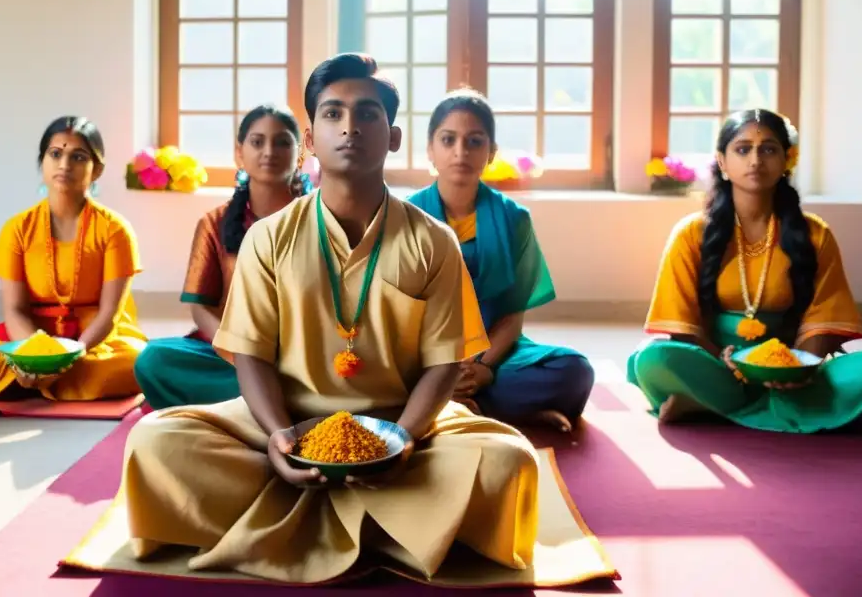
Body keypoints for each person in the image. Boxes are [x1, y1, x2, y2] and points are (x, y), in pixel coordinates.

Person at [121, 54, 540, 584]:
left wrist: (405, 437)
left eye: (367, 113)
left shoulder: (433, 240)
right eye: (332, 113)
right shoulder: (268, 237)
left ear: (391, 137)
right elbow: (248, 353)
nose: (350, 126)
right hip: (283, 421)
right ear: (312, 140)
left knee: (509, 461)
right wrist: (277, 436)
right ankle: (393, 526)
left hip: (403, 425)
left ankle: (290, 522)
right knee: (157, 444)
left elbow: (443, 363)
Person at [628, 109, 862, 432]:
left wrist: (798, 368)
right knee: (656, 358)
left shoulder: (815, 234)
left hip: (793, 369)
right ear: (722, 161)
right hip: (718, 364)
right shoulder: (691, 234)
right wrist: (729, 363)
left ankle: (710, 406)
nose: (756, 160)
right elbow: (682, 329)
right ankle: (774, 406)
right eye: (743, 149)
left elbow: (823, 321)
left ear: (786, 159)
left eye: (769, 149)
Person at [408, 90, 594, 432]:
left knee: (574, 370)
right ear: (430, 150)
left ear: (491, 152)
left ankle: (458, 405)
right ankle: (486, 408)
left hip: (494, 353)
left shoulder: (513, 219)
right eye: (448, 140)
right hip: (421, 357)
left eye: (474, 141)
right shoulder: (405, 217)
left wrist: (483, 367)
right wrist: (443, 368)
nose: (460, 152)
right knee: (374, 375)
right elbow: (398, 313)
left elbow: (512, 313)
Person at [0, 116, 147, 402]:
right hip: (30, 334)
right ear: (42, 162)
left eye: (77, 156)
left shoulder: (115, 230)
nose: (64, 165)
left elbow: (110, 314)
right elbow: (15, 309)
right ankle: (47, 380)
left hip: (93, 341)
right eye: (55, 154)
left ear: (98, 170)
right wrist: (34, 356)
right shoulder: (18, 228)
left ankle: (28, 382)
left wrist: (72, 353)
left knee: (136, 363)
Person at [134, 105, 312, 410]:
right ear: (239, 153)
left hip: (302, 356)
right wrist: (238, 354)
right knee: (154, 359)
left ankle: (258, 402)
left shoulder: (319, 219)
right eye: (257, 142)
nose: (269, 151)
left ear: (299, 155)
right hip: (232, 356)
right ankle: (271, 400)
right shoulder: (214, 224)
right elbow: (200, 308)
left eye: (282, 142)